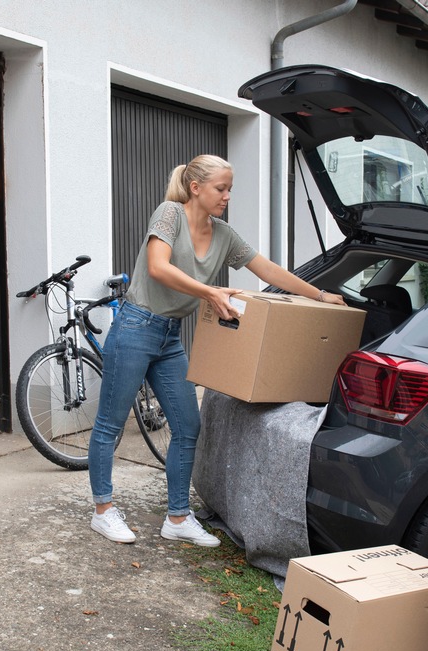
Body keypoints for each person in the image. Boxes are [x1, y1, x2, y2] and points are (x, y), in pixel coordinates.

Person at [88, 155, 346, 545]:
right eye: (220, 189)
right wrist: (209, 291)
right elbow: (158, 267)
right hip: (136, 326)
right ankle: (103, 511)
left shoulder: (224, 235)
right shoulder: (169, 214)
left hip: (170, 337)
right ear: (196, 188)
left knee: (188, 426)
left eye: (230, 189)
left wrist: (321, 295)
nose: (227, 196)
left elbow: (268, 270)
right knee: (110, 423)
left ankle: (177, 517)